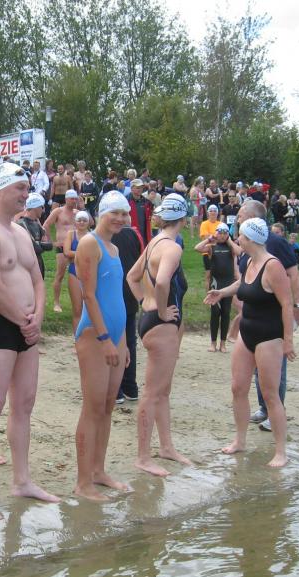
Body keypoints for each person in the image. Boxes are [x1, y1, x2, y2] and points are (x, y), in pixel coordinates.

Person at [0, 162, 60, 520]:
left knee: (24, 403)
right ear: (0, 190)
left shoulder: (19, 232)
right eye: (20, 188)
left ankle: (22, 480)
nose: (26, 194)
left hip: (26, 326)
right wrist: (22, 319)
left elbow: (37, 278)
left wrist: (38, 317)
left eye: (27, 188)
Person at [205, 218, 295, 467]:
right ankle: (240, 440)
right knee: (238, 388)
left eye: (241, 236)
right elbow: (242, 283)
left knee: (270, 395)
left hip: (269, 336)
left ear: (252, 239)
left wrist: (288, 341)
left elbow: (287, 304)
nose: (237, 239)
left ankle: (281, 452)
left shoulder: (273, 266)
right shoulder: (247, 260)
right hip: (247, 332)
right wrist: (222, 292)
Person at [72, 191, 132, 501]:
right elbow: (89, 295)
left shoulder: (114, 247)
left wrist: (122, 341)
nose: (120, 218)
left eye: (124, 213)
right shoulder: (89, 243)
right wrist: (105, 338)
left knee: (108, 405)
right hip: (95, 335)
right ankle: (83, 482)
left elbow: (116, 297)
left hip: (115, 336)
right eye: (114, 213)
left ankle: (98, 470)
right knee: (93, 407)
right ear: (101, 214)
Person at [126, 194, 192, 476]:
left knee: (163, 391)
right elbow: (163, 281)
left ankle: (166, 447)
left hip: (151, 320)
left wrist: (145, 302)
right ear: (184, 218)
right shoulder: (172, 248)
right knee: (153, 393)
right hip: (161, 325)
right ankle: (143, 456)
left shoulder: (154, 242)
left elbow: (132, 277)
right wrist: (163, 311)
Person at [234, 201, 299, 431]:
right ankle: (264, 408)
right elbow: (245, 279)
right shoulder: (248, 250)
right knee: (255, 369)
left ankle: (275, 410)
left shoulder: (275, 243)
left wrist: (297, 305)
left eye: (241, 215)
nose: (237, 219)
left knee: (274, 368)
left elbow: (293, 274)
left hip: (273, 319)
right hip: (253, 316)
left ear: (252, 217)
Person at [111, 214, 144, 403]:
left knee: (115, 340)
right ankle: (130, 387)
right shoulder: (135, 235)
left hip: (114, 295)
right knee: (129, 341)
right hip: (130, 293)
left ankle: (116, 389)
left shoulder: (105, 237)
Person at [195, 223, 239, 352]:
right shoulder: (212, 247)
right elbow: (197, 248)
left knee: (226, 312)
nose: (222, 235)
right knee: (215, 313)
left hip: (228, 284)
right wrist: (209, 239)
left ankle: (223, 343)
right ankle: (213, 343)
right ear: (216, 233)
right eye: (220, 233)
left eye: (225, 233)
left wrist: (229, 240)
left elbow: (239, 252)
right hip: (215, 283)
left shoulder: (231, 247)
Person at [43, 189, 79, 312]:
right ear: (66, 199)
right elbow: (46, 225)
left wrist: (83, 209)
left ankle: (78, 301)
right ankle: (56, 303)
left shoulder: (77, 213)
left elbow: (90, 223)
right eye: (72, 199)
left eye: (75, 199)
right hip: (62, 246)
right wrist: (51, 242)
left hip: (76, 246)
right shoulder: (58, 211)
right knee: (60, 274)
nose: (74, 201)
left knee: (79, 275)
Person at [63, 210, 92, 331]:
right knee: (77, 309)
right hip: (74, 272)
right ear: (75, 222)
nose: (81, 222)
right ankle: (77, 338)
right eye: (79, 220)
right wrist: (85, 254)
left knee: (91, 307)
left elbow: (97, 254)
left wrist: (75, 254)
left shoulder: (92, 235)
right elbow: (66, 252)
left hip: (90, 273)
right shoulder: (71, 234)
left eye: (84, 220)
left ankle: (89, 337)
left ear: (88, 222)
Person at [17, 193, 53, 279]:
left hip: (38, 263)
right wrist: (40, 244)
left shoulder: (36, 224)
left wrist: (39, 244)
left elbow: (49, 245)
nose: (43, 210)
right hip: (26, 266)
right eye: (42, 207)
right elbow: (36, 248)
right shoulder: (21, 224)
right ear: (35, 207)